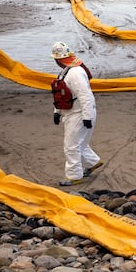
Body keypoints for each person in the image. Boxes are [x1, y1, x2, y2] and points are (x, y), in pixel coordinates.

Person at [50, 41, 103, 186]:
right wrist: (57, 112)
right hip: (72, 112)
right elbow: (61, 94)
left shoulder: (75, 73)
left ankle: (74, 175)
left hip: (79, 113)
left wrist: (87, 116)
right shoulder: (66, 71)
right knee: (81, 143)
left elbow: (85, 95)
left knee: (71, 145)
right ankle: (93, 162)